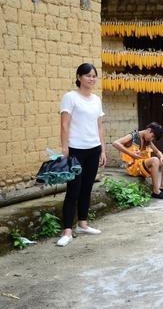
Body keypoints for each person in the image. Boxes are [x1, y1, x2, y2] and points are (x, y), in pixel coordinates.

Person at [57, 63, 107, 247]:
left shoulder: (96, 99)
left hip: (93, 148)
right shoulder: (70, 97)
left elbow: (99, 126)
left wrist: (103, 149)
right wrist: (65, 148)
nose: (92, 79)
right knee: (73, 190)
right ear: (79, 77)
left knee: (87, 188)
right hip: (75, 149)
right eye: (88, 75)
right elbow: (64, 124)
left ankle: (83, 224)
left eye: (94, 76)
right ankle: (67, 230)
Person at [112, 122, 163, 199]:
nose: (152, 139)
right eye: (152, 136)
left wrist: (161, 157)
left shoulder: (147, 140)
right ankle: (156, 191)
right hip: (133, 166)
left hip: (143, 164)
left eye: (153, 138)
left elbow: (157, 151)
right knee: (155, 160)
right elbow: (115, 143)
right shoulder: (133, 136)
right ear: (148, 130)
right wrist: (131, 154)